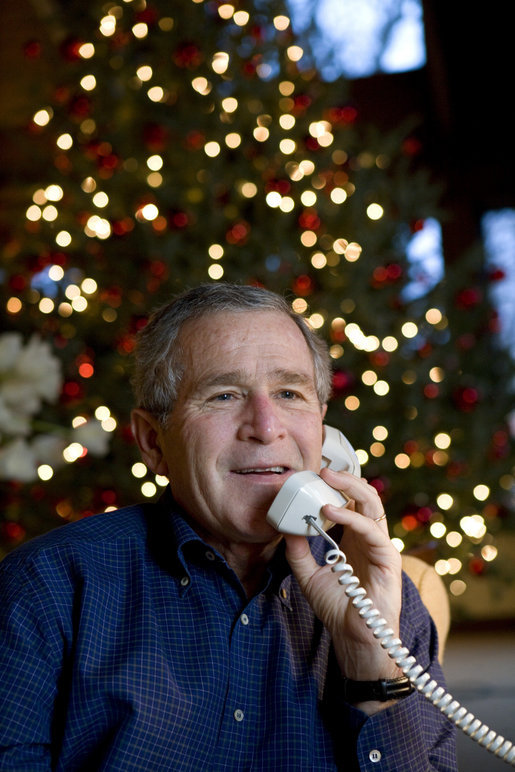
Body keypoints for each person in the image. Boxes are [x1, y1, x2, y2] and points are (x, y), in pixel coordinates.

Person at [0, 283, 457, 771]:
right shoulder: (46, 587)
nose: (266, 426)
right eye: (223, 395)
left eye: (289, 393)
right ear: (153, 442)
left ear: (323, 430)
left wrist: (374, 666)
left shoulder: (381, 595)